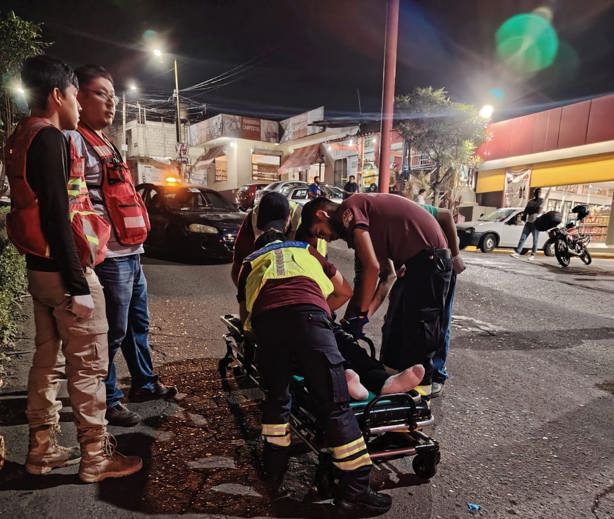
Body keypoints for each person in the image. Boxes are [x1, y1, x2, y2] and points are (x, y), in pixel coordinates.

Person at [5, 55, 142, 482]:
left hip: (38, 271)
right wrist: (79, 285)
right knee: (89, 367)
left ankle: (43, 451)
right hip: (64, 273)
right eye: (73, 96)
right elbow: (58, 218)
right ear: (56, 96)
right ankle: (96, 458)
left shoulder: (21, 135)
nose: (79, 106)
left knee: (47, 364)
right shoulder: (50, 139)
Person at [237, 222, 392, 516]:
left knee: (277, 400)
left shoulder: (250, 263)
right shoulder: (304, 249)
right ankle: (354, 493)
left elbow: (247, 318)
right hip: (310, 318)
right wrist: (320, 307)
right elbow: (344, 290)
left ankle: (273, 470)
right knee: (336, 406)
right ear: (285, 238)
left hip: (267, 327)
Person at [66, 65, 176, 428]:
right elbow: (75, 203)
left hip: (131, 253)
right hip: (109, 257)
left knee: (137, 325)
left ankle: (143, 383)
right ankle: (108, 398)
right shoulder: (75, 140)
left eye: (113, 95)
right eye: (101, 93)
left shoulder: (106, 140)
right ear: (77, 96)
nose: (111, 102)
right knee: (111, 332)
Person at [301, 194, 453, 398]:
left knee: (420, 329)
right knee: (395, 328)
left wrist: (361, 313)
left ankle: (420, 393)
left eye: (320, 232)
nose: (325, 238)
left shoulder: (350, 209)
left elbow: (370, 268)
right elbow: (387, 275)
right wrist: (364, 316)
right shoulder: (364, 226)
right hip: (414, 263)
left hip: (430, 259)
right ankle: (390, 380)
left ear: (322, 214)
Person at [231, 192, 326, 287]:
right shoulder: (252, 220)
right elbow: (238, 268)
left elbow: (325, 277)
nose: (272, 232)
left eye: (277, 227)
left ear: (288, 219)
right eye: (267, 228)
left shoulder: (306, 228)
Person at [511, 188, 544, 260]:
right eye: (537, 192)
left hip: (536, 223)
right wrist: (532, 209)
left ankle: (533, 255)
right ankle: (517, 252)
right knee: (523, 238)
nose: (538, 193)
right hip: (528, 222)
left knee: (535, 240)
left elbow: (538, 210)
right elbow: (526, 210)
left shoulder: (541, 200)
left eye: (540, 192)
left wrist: (531, 209)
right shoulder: (530, 201)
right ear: (534, 193)